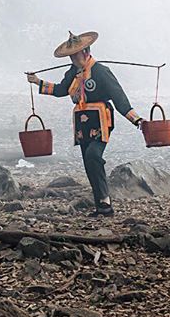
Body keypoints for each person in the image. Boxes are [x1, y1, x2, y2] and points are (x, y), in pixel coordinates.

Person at [26, 31, 142, 217]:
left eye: (76, 54)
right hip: (82, 123)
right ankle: (102, 206)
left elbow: (119, 97)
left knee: (94, 155)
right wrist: (37, 82)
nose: (72, 58)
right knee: (88, 162)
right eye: (71, 55)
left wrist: (137, 120)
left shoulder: (101, 72)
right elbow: (61, 90)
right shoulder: (72, 72)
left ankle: (104, 201)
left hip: (101, 120)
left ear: (86, 52)